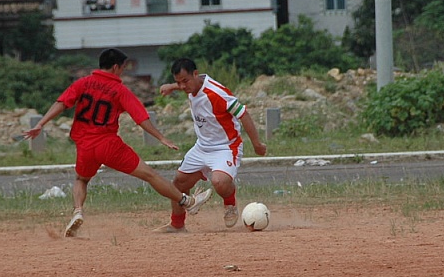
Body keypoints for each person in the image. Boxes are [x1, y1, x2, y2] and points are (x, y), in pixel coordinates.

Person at [23, 48, 211, 237]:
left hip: (84, 145)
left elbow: (62, 103)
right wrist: (161, 137)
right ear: (115, 67)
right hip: (108, 145)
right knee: (150, 175)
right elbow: (140, 117)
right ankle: (188, 202)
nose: (122, 71)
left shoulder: (83, 83)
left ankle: (78, 210)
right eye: (122, 68)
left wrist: (40, 124)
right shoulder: (119, 90)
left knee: (81, 179)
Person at [155, 58, 268, 232]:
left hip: (226, 147)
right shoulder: (192, 85)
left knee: (219, 182)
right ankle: (177, 225)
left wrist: (257, 144)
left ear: (195, 74)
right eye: (179, 82)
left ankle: (230, 204)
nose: (183, 86)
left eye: (185, 81)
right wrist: (172, 86)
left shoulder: (217, 93)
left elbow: (243, 113)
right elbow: (185, 84)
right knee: (178, 183)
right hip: (202, 147)